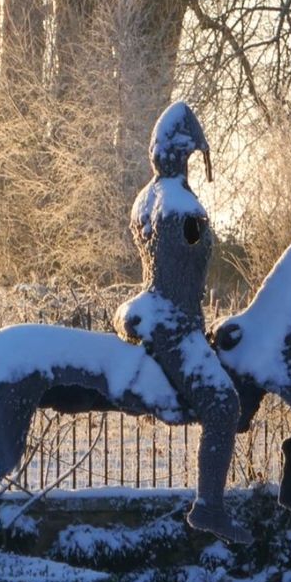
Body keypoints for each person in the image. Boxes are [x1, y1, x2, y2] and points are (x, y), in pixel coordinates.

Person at [113, 102, 248, 543]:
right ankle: (209, 506)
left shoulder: (144, 201)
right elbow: (183, 271)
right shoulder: (184, 208)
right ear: (187, 153)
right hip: (176, 326)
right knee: (224, 405)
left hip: (154, 312)